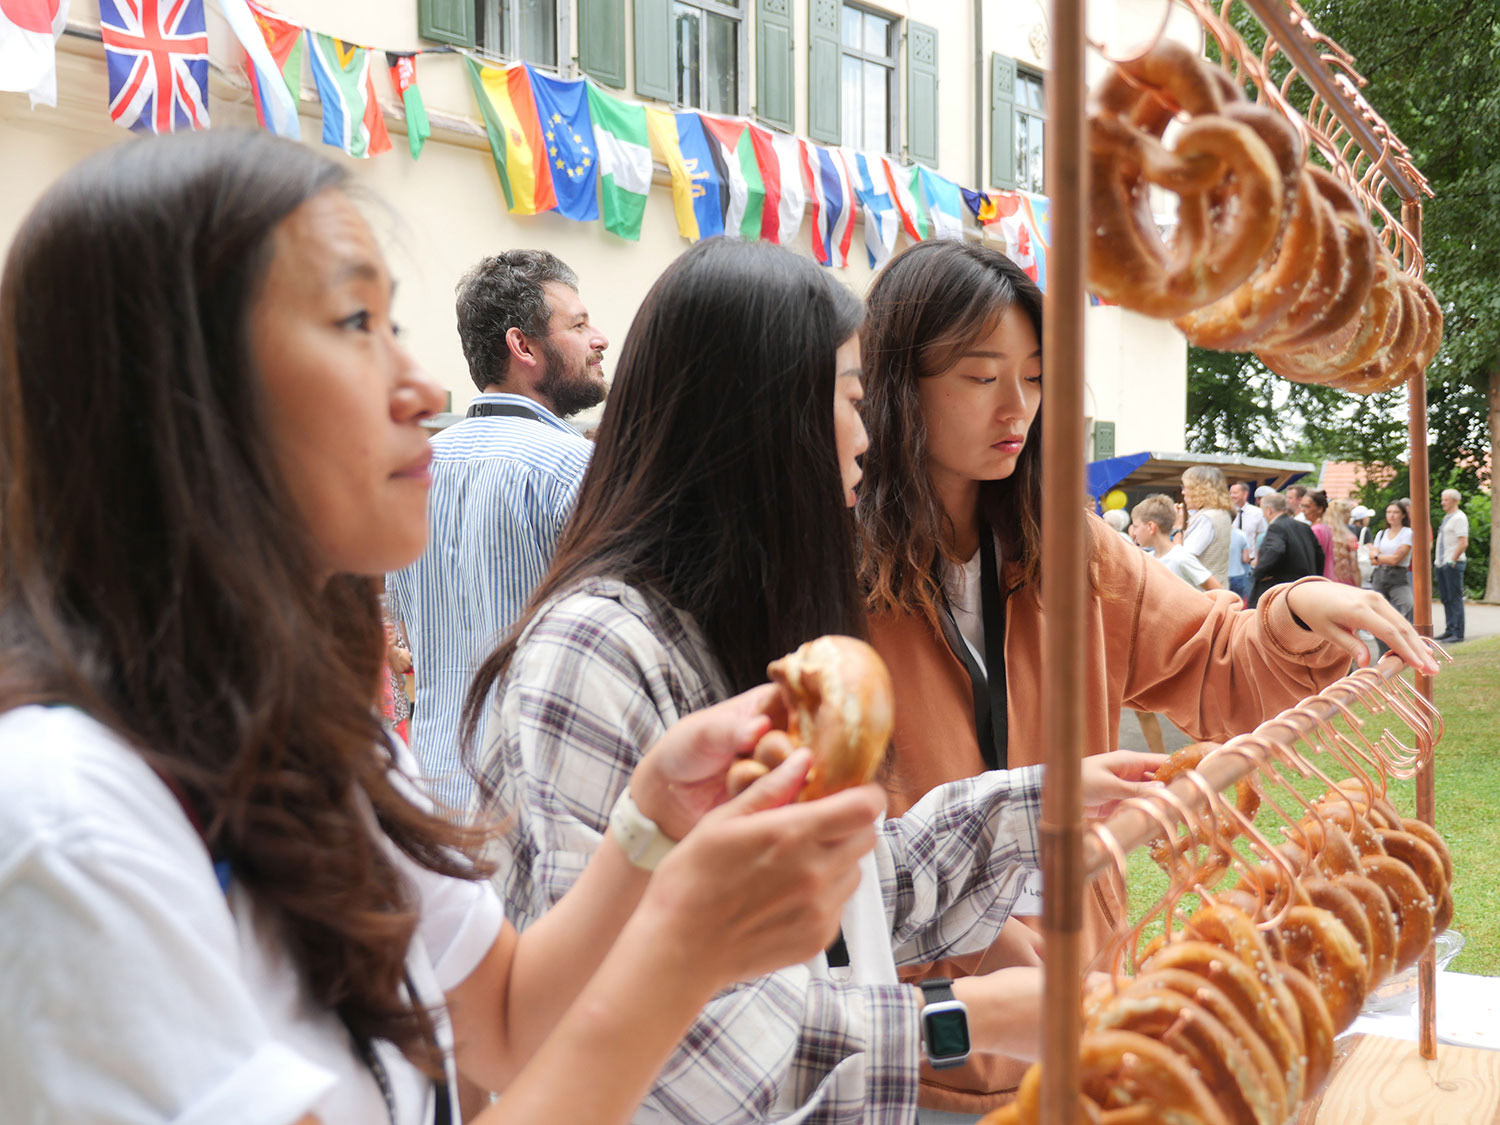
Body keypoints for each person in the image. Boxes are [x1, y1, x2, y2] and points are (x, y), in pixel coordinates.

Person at [0, 131, 888, 1125]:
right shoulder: (68, 825)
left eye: (393, 324)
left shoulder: (319, 741)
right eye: (354, 323)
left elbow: (503, 1016)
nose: (424, 390)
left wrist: (648, 825)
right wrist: (683, 944)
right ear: (174, 391)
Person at [465, 237, 1163, 1125]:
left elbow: (843, 897)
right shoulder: (599, 651)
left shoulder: (740, 629)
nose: (871, 437)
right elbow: (635, 1024)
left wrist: (1035, 807)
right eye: (854, 399)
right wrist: (958, 1019)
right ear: (765, 416)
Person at [854, 239, 1436, 1116]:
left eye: (1036, 377)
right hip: (916, 1042)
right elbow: (836, 846)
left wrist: (1299, 608)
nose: (1017, 407)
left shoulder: (1073, 547)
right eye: (980, 377)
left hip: (1086, 1005)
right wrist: (983, 949)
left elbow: (1215, 658)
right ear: (900, 386)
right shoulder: (831, 575)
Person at [387, 250, 605, 810]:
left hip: (435, 792)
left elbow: (402, 631)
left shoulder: (414, 470)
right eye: (579, 325)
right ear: (522, 347)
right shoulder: (577, 470)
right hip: (539, 801)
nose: (600, 339)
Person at [1130, 494, 1222, 591]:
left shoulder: (1181, 558)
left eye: (1135, 526)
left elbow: (1220, 592)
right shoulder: (1149, 558)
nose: (1134, 533)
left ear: (1151, 527)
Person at [1249, 492, 1324, 607]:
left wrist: (1259, 573)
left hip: (1283, 591)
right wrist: (1314, 577)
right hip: (1305, 587)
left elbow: (1275, 550)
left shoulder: (1276, 527)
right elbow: (1320, 555)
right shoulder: (1304, 527)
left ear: (1269, 510)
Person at [1370, 499, 1416, 649]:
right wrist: (1381, 558)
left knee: (1408, 606)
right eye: (1389, 512)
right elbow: (1372, 558)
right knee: (1377, 613)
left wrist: (1379, 557)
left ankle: (1406, 643)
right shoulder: (1381, 534)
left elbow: (1396, 559)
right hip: (1380, 575)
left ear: (1403, 515)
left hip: (1398, 576)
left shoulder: (1407, 533)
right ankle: (1384, 649)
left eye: (1396, 512)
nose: (1392, 515)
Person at [1180, 465, 1234, 586]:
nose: (1183, 492)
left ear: (1199, 489)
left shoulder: (1205, 518)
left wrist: (1177, 529)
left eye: (1185, 487)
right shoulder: (1222, 513)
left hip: (1202, 591)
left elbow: (1182, 560)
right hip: (1219, 585)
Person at [1435, 488, 1471, 643]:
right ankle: (1450, 629)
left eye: (1446, 500)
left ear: (1455, 501)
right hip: (1441, 563)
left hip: (1452, 564)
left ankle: (1458, 632)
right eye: (1442, 499)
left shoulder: (1459, 518)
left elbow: (1463, 542)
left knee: (1455, 598)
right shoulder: (1447, 517)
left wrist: (1452, 561)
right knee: (1446, 598)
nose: (1442, 503)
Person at [1324, 500, 1362, 587]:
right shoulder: (1350, 538)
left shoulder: (1323, 534)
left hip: (1325, 583)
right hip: (1346, 584)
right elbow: (1354, 568)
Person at [1300, 489, 1336, 580]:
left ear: (1320, 509)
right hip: (1328, 575)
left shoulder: (1315, 530)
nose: (1303, 510)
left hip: (1318, 578)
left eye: (1307, 506)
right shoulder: (1326, 528)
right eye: (1302, 506)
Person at [1230, 480, 1267, 560]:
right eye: (1230, 493)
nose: (1232, 495)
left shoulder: (1257, 512)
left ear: (1245, 494)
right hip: (1231, 560)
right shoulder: (1226, 512)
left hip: (1251, 560)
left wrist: (1257, 559)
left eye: (1235, 493)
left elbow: (1260, 537)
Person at [1351, 504, 1376, 587]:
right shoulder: (1365, 530)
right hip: (1362, 571)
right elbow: (1370, 546)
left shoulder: (1348, 529)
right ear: (1363, 519)